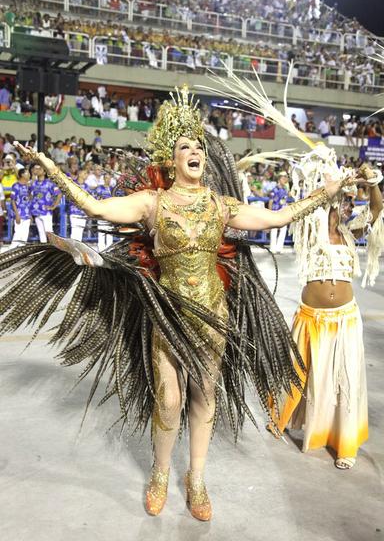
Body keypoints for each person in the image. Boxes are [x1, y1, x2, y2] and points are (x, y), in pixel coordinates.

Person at [6, 86, 345, 522]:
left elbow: (276, 217)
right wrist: (50, 166)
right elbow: (94, 206)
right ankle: (161, 472)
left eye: (199, 146)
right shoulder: (152, 203)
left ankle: (197, 479)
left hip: (212, 314)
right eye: (186, 146)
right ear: (172, 160)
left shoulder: (222, 205)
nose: (195, 151)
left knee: (205, 392)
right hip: (167, 315)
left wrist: (326, 192)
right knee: (168, 400)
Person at [269, 155, 383, 471]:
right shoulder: (308, 226)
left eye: (345, 200)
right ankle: (284, 419)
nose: (341, 204)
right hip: (311, 318)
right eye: (337, 197)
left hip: (345, 320)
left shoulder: (350, 233)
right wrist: (341, 179)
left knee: (344, 381)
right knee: (299, 375)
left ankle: (344, 442)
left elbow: (376, 212)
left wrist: (372, 183)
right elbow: (306, 203)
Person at [30, 164, 61, 243]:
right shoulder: (34, 183)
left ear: (44, 172)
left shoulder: (50, 183)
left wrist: (53, 206)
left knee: (49, 232)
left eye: (40, 169)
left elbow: (59, 194)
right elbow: (30, 195)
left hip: (46, 211)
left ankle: (53, 249)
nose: (37, 171)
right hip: (36, 211)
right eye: (36, 169)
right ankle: (44, 250)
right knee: (41, 232)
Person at [9, 168, 31, 249]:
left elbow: (29, 200)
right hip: (19, 214)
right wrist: (17, 214)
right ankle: (10, 251)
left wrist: (30, 214)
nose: (29, 175)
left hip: (27, 214)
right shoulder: (15, 186)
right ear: (22, 175)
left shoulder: (28, 186)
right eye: (27, 173)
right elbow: (13, 200)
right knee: (18, 234)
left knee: (25, 235)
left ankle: (21, 253)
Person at [268, 171, 290, 254]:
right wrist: (270, 213)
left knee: (283, 230)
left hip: (283, 212)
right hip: (275, 211)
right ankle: (272, 248)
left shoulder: (285, 189)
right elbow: (270, 201)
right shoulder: (274, 189)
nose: (285, 179)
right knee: (274, 230)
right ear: (279, 179)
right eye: (283, 177)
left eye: (285, 177)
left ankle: (279, 248)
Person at [94, 172, 114, 252]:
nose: (108, 180)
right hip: (102, 213)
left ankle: (109, 250)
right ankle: (101, 250)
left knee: (110, 232)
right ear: (103, 179)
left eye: (109, 178)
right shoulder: (99, 188)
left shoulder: (113, 188)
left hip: (111, 214)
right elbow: (96, 199)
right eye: (106, 178)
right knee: (101, 232)